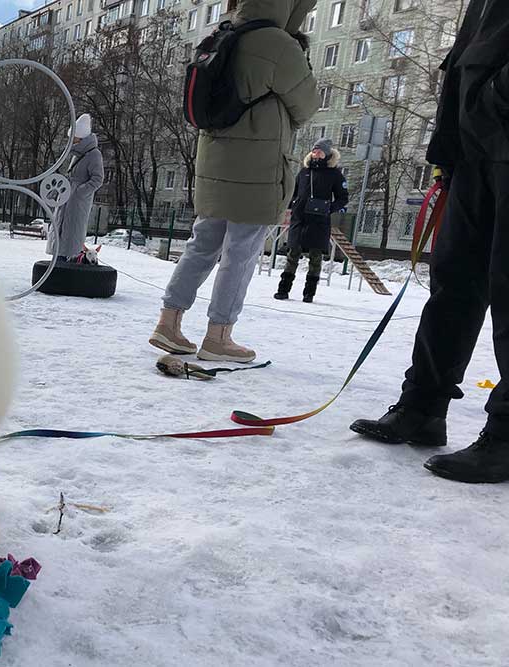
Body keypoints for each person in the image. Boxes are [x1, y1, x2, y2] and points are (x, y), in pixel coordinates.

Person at [350, 0, 509, 483]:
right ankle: (422, 406)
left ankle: (505, 437)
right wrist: (446, 145)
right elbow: (462, 59)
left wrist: (493, 97)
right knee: (453, 282)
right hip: (471, 151)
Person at [150, 0, 318, 363]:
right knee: (240, 253)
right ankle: (218, 336)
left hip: (214, 161)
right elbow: (307, 105)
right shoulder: (277, 43)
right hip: (256, 168)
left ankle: (169, 321)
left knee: (202, 243)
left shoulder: (223, 32)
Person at [275, 137, 349, 303]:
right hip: (299, 219)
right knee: (292, 254)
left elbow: (343, 198)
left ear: (327, 154)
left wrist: (329, 208)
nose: (316, 154)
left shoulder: (335, 174)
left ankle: (309, 293)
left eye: (320, 151)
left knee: (315, 257)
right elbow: (293, 192)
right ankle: (283, 289)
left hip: (319, 222)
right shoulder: (304, 172)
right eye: (314, 151)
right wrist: (291, 205)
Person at [46, 113, 105, 262]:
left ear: (81, 137)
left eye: (74, 137)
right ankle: (58, 260)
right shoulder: (77, 154)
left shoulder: (93, 154)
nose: (71, 140)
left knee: (72, 232)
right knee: (59, 227)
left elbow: (98, 179)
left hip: (77, 201)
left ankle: (68, 262)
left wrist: (79, 192)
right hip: (67, 197)